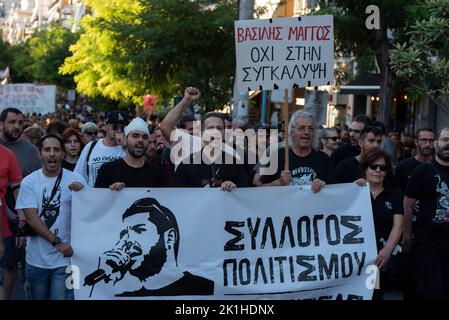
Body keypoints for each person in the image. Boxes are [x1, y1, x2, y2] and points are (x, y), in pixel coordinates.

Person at [83, 197, 214, 297]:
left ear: (169, 238)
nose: (126, 242)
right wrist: (104, 281)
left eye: (139, 231)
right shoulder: (124, 295)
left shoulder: (206, 289)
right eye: (124, 234)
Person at [15, 134, 86, 300]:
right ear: (40, 154)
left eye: (56, 150)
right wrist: (58, 243)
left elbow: (89, 214)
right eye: (47, 150)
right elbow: (32, 218)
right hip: (35, 261)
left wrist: (84, 195)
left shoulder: (77, 180)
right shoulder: (29, 182)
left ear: (62, 154)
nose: (52, 154)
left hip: (66, 262)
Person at [160, 87, 246, 190]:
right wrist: (186, 100)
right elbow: (165, 127)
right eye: (210, 128)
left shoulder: (233, 159)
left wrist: (234, 188)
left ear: (224, 132)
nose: (215, 132)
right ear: (201, 132)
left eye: (219, 128)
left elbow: (245, 196)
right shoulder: (188, 154)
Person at [403, 127, 449, 299]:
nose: (448, 144)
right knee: (433, 290)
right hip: (428, 243)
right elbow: (407, 206)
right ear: (437, 143)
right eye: (445, 139)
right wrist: (407, 237)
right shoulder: (421, 171)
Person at [0, 107, 40, 300]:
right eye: (12, 122)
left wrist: (24, 222)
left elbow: (36, 186)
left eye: (20, 122)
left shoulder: (32, 151)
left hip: (20, 215)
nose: (17, 126)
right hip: (5, 212)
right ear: (1, 124)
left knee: (17, 265)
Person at [394, 128, 436, 300]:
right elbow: (398, 202)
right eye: (424, 140)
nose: (427, 144)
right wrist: (404, 234)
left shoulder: (441, 168)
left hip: (433, 234)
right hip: (410, 231)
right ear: (417, 142)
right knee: (410, 281)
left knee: (432, 284)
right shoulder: (404, 167)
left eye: (431, 140)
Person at [356, 150, 403, 300]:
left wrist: (388, 250)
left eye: (382, 167)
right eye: (373, 166)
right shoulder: (354, 191)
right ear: (365, 168)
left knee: (374, 294)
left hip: (376, 258)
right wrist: (351, 190)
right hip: (353, 256)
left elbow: (398, 225)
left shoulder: (394, 195)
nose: (377, 170)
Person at [253, 110, 332, 192]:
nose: (307, 132)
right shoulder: (279, 155)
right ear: (292, 131)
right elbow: (259, 187)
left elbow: (336, 190)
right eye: (301, 128)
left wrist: (324, 185)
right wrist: (279, 183)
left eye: (311, 128)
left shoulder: (323, 159)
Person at [95, 117, 165, 189]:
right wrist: (111, 192)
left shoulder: (157, 174)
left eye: (144, 137)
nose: (140, 140)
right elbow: (98, 198)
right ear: (125, 139)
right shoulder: (107, 170)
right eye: (135, 136)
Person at [74, 110, 128, 187]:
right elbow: (78, 175)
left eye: (123, 128)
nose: (119, 131)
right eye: (115, 127)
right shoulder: (91, 147)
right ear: (106, 126)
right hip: (95, 196)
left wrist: (125, 146)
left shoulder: (127, 149)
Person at [0, 145, 22, 300]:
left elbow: (17, 187)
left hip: (2, 227)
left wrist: (22, 219)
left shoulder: (8, 154)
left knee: (4, 272)